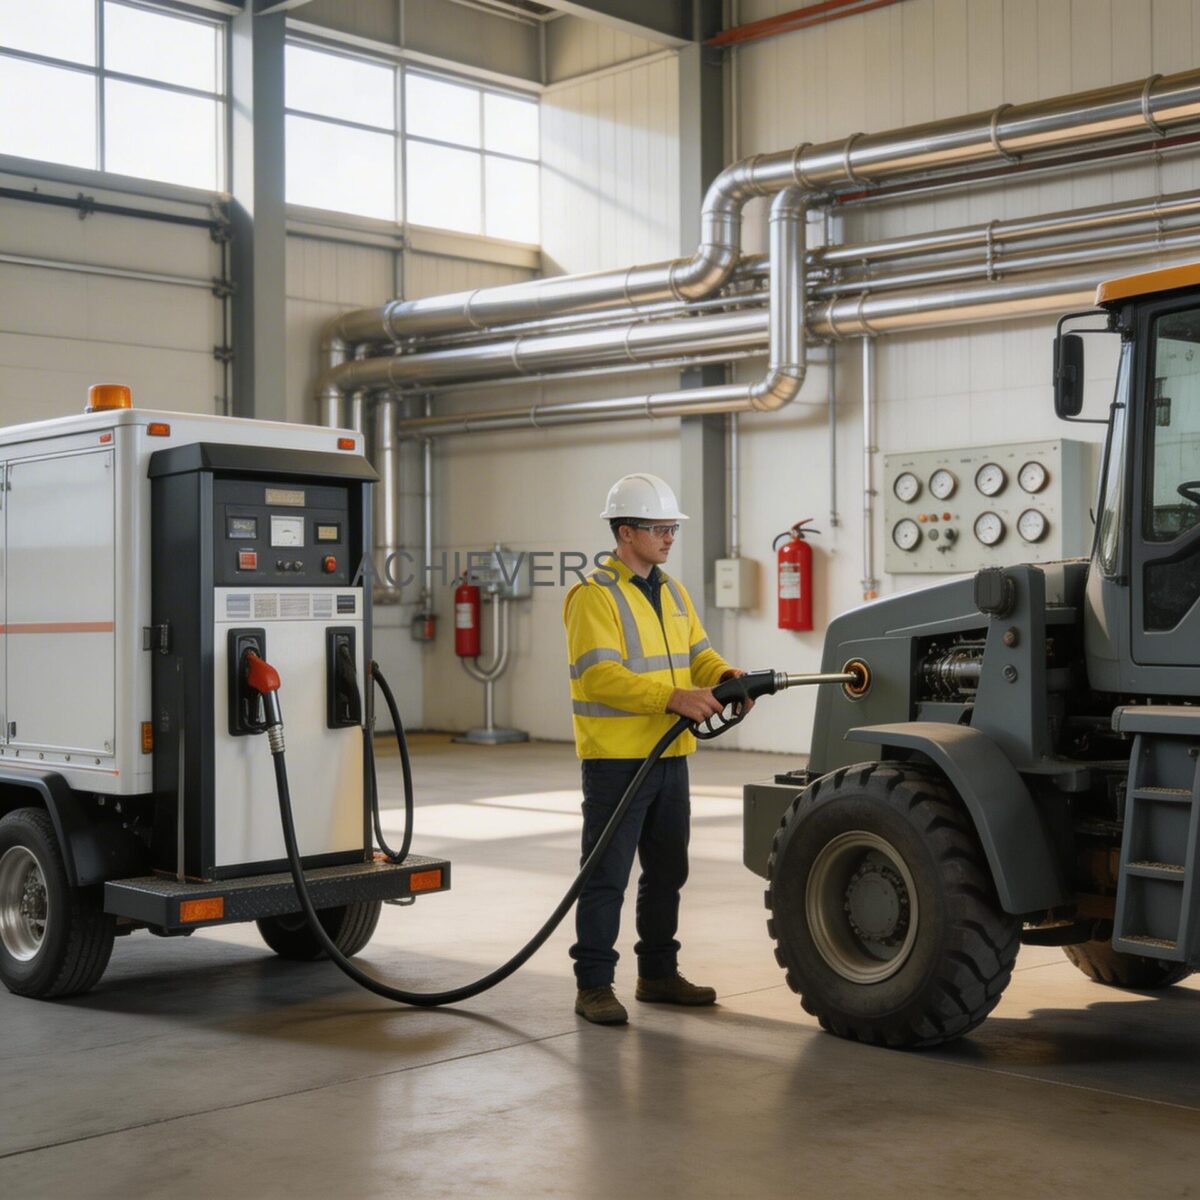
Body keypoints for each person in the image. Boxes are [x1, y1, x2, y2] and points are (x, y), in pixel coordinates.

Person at [562, 472, 752, 1026]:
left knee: (667, 872)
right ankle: (594, 984)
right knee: (606, 878)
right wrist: (674, 698)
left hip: (670, 758)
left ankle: (657, 974)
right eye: (659, 528)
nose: (670, 536)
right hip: (617, 761)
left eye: (673, 527)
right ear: (625, 532)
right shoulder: (592, 597)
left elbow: (700, 655)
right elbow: (601, 678)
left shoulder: (672, 592)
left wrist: (727, 676)